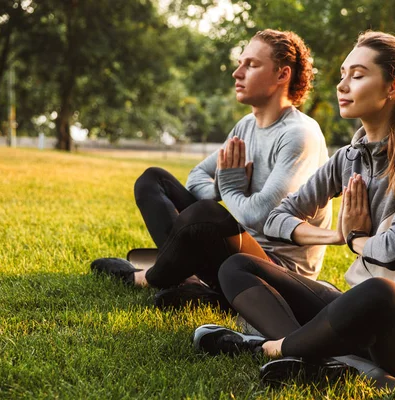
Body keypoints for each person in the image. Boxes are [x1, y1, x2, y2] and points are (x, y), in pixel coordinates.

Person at [193, 31, 395, 381]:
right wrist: (335, 235)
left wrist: (356, 239)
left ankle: (272, 346)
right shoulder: (349, 158)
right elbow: (276, 218)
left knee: (381, 292)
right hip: (356, 312)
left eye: (358, 75)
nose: (343, 86)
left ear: (394, 87)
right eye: (342, 75)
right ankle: (311, 359)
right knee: (238, 266)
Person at [91, 29, 332, 309]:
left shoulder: (299, 134)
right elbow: (196, 177)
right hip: (236, 250)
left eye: (251, 65)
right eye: (240, 63)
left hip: (279, 271)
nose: (237, 73)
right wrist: (222, 186)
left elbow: (260, 216)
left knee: (206, 214)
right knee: (153, 180)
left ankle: (150, 277)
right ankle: (192, 280)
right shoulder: (246, 126)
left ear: (282, 75)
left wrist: (229, 187)